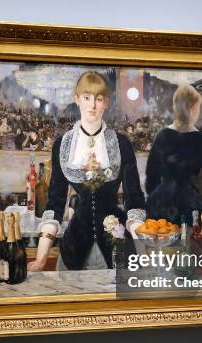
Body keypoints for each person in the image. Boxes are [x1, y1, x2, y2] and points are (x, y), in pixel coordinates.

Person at [27, 71, 145, 271]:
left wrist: (144, 255)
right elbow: (56, 203)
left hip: (117, 246)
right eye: (87, 98)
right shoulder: (62, 145)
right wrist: (41, 258)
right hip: (75, 245)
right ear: (77, 99)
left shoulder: (121, 144)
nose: (92, 105)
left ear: (106, 103)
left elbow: (134, 202)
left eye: (98, 99)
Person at [145, 84, 202, 225]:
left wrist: (155, 194)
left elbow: (151, 177)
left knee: (160, 245)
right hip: (189, 206)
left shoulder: (162, 135)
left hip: (159, 204)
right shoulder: (200, 139)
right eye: (198, 107)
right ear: (192, 108)